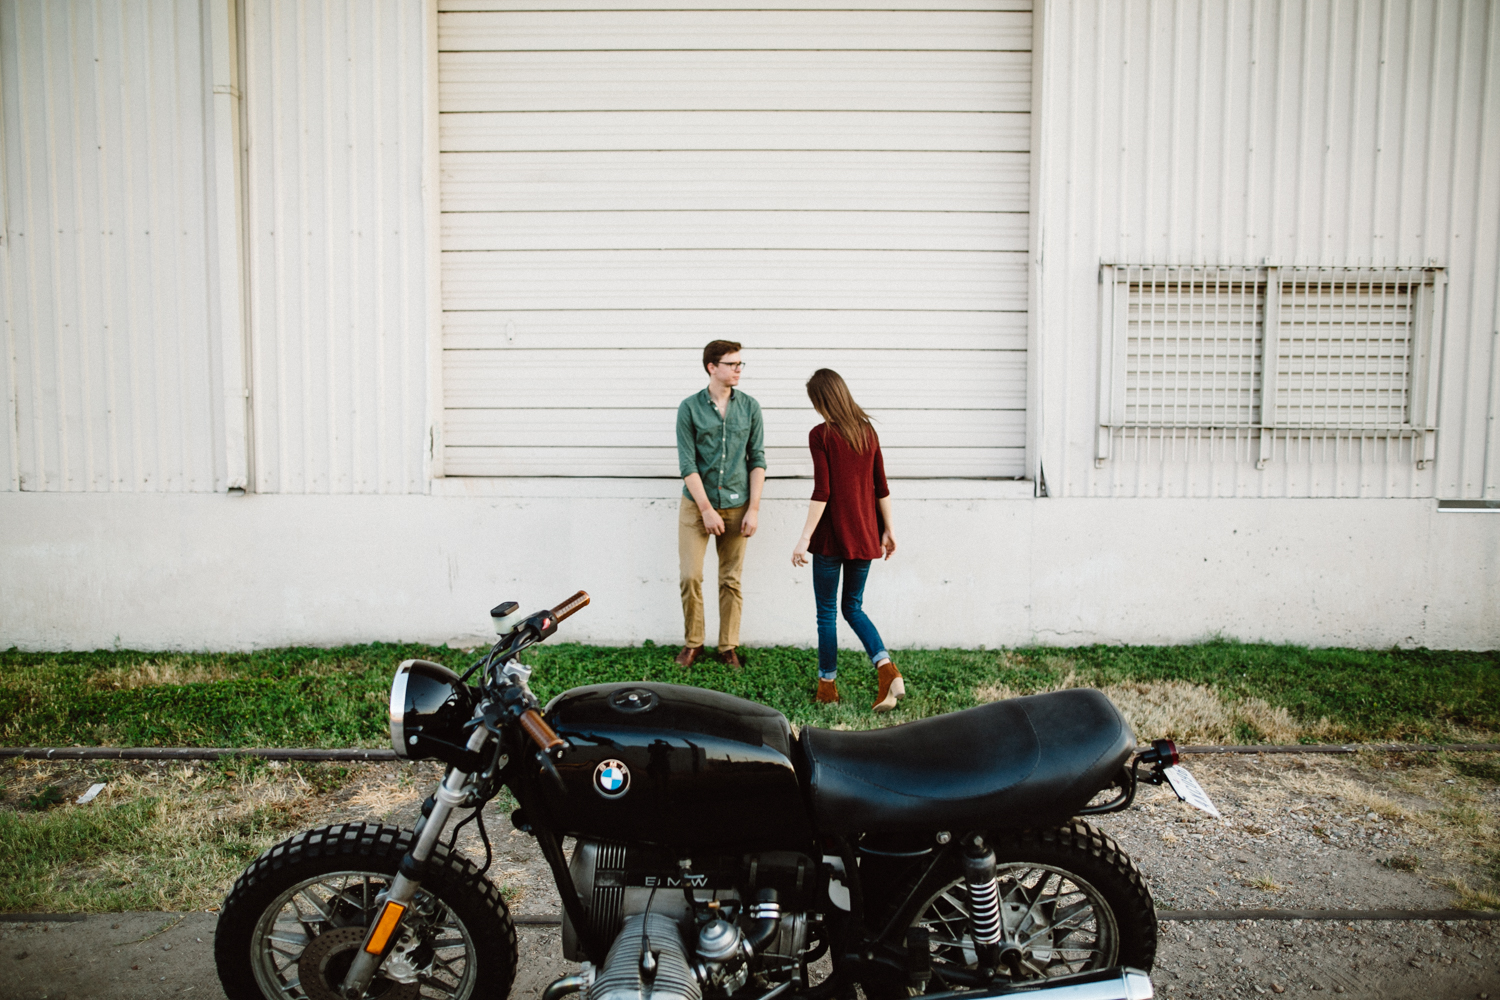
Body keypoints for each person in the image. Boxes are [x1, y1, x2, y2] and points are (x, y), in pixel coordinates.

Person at [790, 369, 904, 710]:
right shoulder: (867, 432)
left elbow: (822, 491)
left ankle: (828, 687)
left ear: (821, 400)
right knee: (853, 607)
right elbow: (881, 487)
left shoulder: (821, 435)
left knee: (827, 612)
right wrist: (888, 529)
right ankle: (887, 670)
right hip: (865, 534)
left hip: (830, 539)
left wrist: (803, 538)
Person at [675, 340, 766, 668]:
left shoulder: (750, 407)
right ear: (712, 367)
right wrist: (706, 509)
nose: (739, 369)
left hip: (738, 504)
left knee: (730, 579)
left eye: (741, 364)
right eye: (732, 364)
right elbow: (688, 464)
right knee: (690, 576)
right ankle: (693, 643)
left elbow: (757, 458)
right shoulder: (689, 408)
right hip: (697, 506)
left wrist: (753, 508)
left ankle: (727, 646)